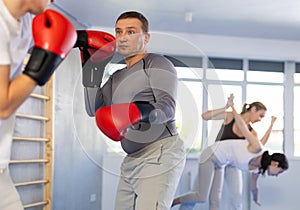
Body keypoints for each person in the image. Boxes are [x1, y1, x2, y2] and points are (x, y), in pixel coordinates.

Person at [78, 11, 186, 210]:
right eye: (119, 32)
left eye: (131, 31)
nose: (123, 37)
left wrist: (137, 112)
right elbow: (92, 109)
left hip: (160, 154)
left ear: (145, 38)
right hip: (131, 160)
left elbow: (168, 108)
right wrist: (91, 70)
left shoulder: (157, 63)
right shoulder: (116, 77)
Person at [0, 0, 76, 209]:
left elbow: (43, 42)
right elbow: (2, 106)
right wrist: (49, 58)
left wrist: (79, 39)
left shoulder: (23, 23)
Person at [171, 99, 289, 209]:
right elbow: (240, 126)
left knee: (215, 199)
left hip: (224, 162)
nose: (260, 119)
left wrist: (255, 197)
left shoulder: (258, 159)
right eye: (260, 115)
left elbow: (254, 184)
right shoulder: (234, 120)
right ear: (275, 164)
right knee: (201, 196)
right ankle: (171, 202)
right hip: (212, 155)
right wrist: (230, 107)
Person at [201, 94, 276, 209]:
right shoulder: (230, 116)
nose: (260, 120)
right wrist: (226, 107)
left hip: (233, 164)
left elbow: (260, 145)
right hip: (218, 158)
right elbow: (205, 116)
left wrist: (271, 125)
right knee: (215, 197)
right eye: (260, 115)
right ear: (253, 109)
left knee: (237, 196)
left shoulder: (252, 132)